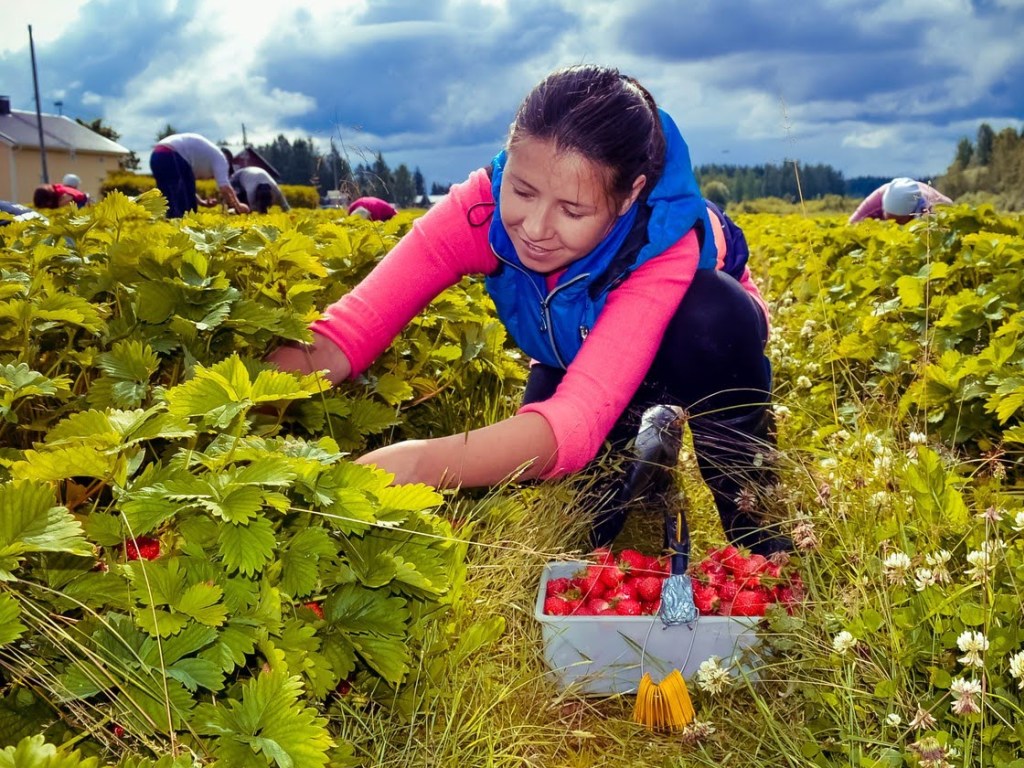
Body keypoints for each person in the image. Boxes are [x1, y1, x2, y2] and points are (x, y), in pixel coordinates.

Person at [268, 65, 788, 556]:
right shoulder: (479, 209)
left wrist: (418, 462)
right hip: (578, 350)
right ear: (508, 159)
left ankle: (761, 532)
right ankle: (649, 458)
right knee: (589, 523)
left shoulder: (662, 242)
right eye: (523, 190)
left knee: (709, 317)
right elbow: (348, 332)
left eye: (572, 210)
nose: (536, 228)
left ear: (629, 196)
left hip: (698, 345)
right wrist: (242, 412)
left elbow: (573, 425)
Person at [149, 133, 249, 218]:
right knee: (186, 212)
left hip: (156, 155)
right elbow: (225, 188)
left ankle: (172, 235)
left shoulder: (199, 160)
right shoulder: (221, 160)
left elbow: (188, 189)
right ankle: (184, 236)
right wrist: (238, 206)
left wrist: (202, 202)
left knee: (170, 203)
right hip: (171, 154)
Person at [848, 177, 952, 224]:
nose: (893, 225)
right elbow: (851, 225)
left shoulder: (931, 208)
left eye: (898, 221)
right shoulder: (876, 199)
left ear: (911, 214)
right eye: (887, 218)